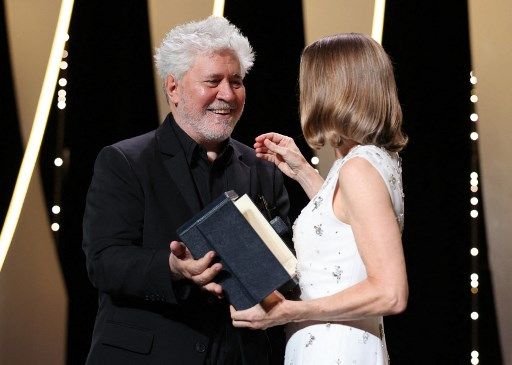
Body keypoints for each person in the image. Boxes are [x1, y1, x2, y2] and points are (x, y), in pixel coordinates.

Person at [82, 16, 290, 364]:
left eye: (236, 81)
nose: (227, 94)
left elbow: (284, 260)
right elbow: (103, 261)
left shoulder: (262, 167)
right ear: (173, 87)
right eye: (213, 81)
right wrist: (171, 268)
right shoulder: (125, 161)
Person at [230, 33, 408, 364]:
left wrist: (289, 311)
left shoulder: (358, 168)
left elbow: (391, 293)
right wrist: (301, 172)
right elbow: (343, 229)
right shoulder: (369, 160)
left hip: (335, 348)